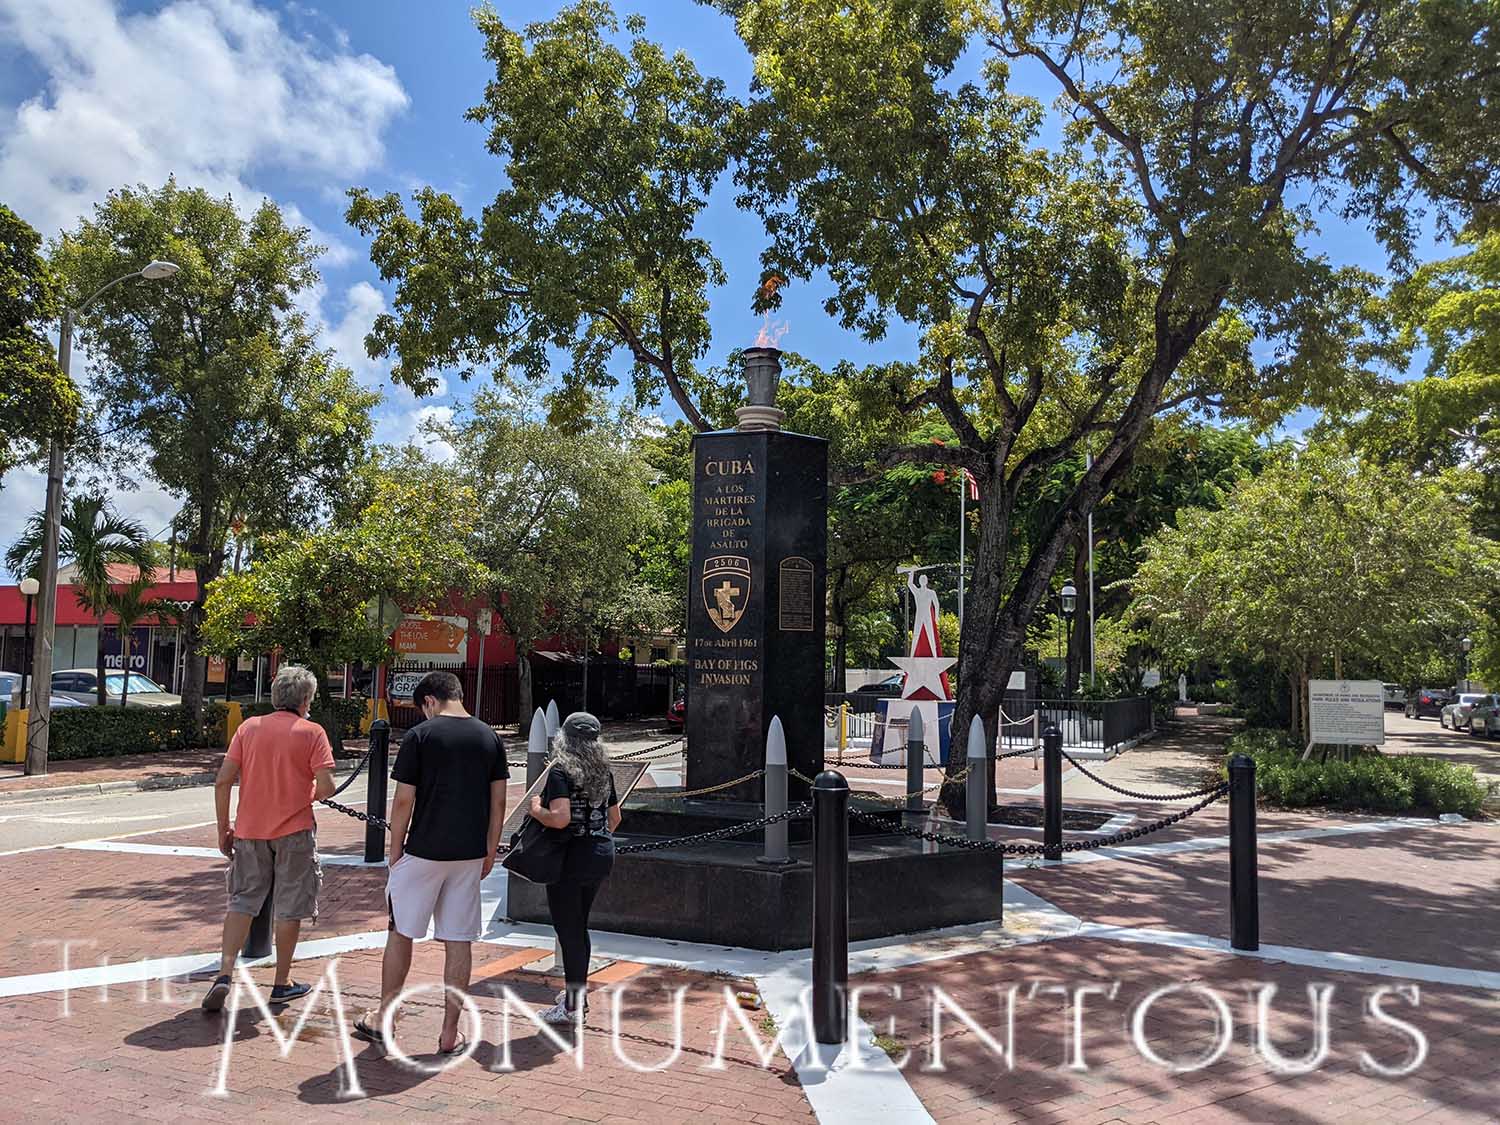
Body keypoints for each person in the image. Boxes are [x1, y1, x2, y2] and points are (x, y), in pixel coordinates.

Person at [355, 670, 508, 1055]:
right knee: (458, 939)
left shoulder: (420, 736)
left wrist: (394, 851)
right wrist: (490, 850)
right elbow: (499, 803)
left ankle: (385, 1019)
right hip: (469, 854)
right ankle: (448, 1033)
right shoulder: (489, 737)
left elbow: (404, 800)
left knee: (401, 932)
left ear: (429, 701)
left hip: (423, 850)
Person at [203, 665, 337, 1011]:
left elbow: (223, 781)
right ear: (306, 698)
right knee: (290, 906)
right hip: (294, 831)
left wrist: (224, 828)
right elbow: (325, 787)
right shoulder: (312, 732)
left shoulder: (249, 728)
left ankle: (224, 973)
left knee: (242, 901)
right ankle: (282, 982)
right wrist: (309, 790)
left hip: (248, 831)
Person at [528, 711, 621, 1024]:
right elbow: (615, 818)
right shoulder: (603, 770)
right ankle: (575, 995)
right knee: (578, 927)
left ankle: (571, 1006)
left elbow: (560, 818)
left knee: (568, 930)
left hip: (570, 858)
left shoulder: (560, 770)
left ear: (564, 737)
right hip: (599, 853)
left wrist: (537, 809)